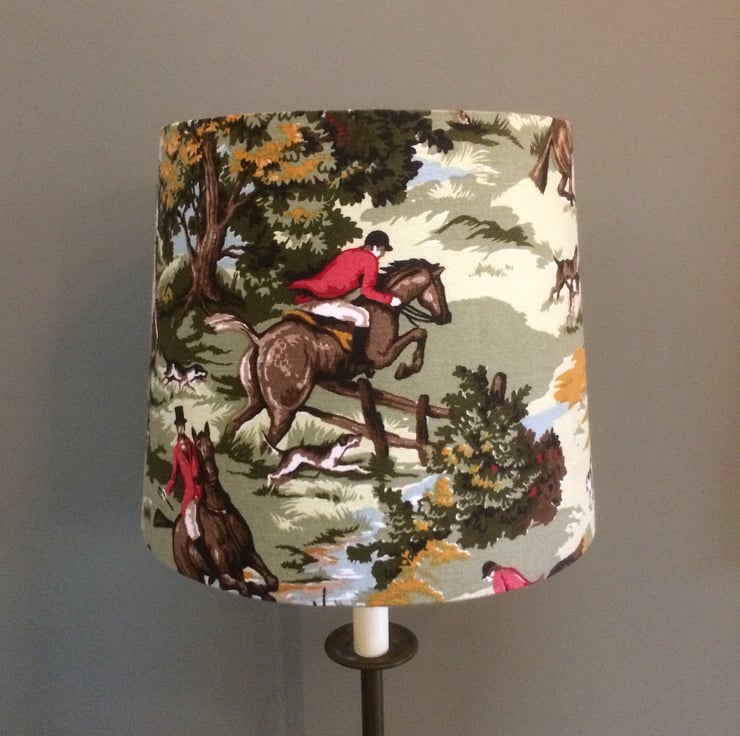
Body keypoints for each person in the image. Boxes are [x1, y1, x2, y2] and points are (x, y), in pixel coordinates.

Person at [287, 230, 402, 363]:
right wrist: (390, 300)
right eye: (382, 249)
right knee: (362, 316)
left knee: (349, 307)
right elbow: (367, 291)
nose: (383, 254)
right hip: (323, 300)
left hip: (312, 296)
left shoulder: (350, 252)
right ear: (374, 247)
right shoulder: (370, 259)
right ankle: (357, 358)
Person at [159, 406, 203, 540]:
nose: (181, 429)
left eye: (182, 426)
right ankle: (197, 545)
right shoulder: (176, 451)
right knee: (189, 519)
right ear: (177, 428)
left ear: (184, 426)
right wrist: (166, 491)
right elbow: (173, 476)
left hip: (199, 488)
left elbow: (197, 465)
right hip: (189, 493)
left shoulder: (191, 445)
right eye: (179, 426)